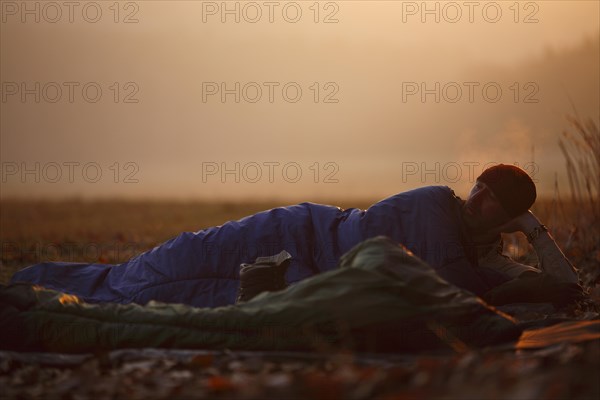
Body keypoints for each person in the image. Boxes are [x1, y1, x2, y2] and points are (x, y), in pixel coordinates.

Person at [10, 164, 582, 308]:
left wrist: (533, 229)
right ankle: (28, 283)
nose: (477, 200)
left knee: (169, 297)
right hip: (297, 232)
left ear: (504, 217)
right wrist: (505, 288)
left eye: (493, 202)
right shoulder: (434, 203)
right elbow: (458, 283)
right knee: (157, 266)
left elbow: (563, 287)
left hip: (298, 276)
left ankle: (42, 294)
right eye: (479, 187)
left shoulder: (489, 256)